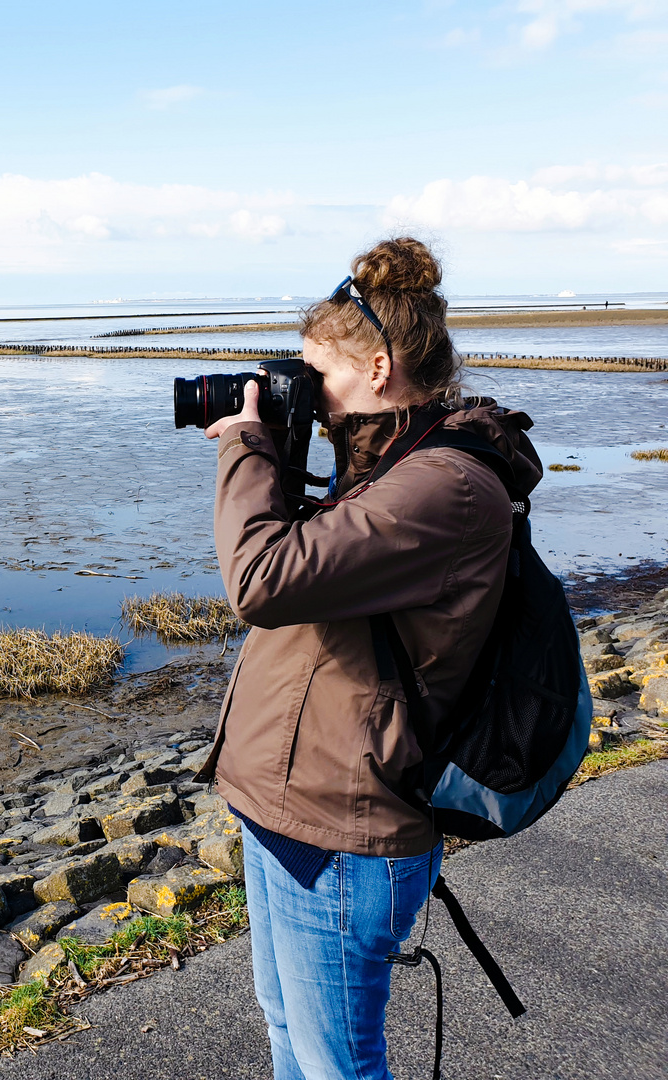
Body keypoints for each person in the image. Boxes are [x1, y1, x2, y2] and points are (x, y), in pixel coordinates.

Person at [196, 237, 543, 1080]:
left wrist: (245, 445)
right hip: (290, 806)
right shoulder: (392, 462)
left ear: (381, 366)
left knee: (337, 1065)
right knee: (292, 1038)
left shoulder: (443, 485)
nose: (312, 396)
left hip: (346, 828)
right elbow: (316, 563)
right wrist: (288, 442)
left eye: (321, 376)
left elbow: (264, 579)